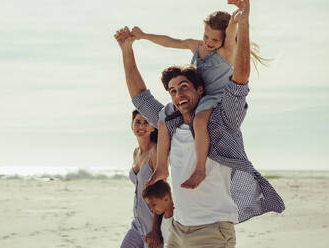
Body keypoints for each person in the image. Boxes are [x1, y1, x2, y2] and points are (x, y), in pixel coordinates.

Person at [114, 0, 285, 247]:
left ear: (199, 89)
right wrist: (127, 48)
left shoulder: (222, 120)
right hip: (176, 227)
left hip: (211, 229)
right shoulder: (171, 122)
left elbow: (241, 77)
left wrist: (242, 23)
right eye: (173, 91)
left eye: (184, 87)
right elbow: (140, 97)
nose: (178, 95)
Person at [131, 0, 267, 189]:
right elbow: (171, 41)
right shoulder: (197, 46)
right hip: (194, 98)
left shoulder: (227, 52)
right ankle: (162, 167)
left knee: (199, 121)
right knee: (163, 118)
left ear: (225, 38)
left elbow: (232, 34)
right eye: (206, 36)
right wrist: (143, 36)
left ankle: (200, 169)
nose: (209, 42)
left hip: (214, 100)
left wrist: (236, 21)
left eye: (215, 40)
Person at [120, 110, 160, 248]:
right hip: (137, 225)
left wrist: (155, 230)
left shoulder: (155, 151)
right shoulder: (136, 152)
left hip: (152, 226)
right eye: (138, 122)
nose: (141, 126)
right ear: (132, 125)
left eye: (146, 122)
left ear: (152, 127)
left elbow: (161, 194)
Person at [142, 180, 174, 246]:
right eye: (150, 205)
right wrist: (151, 239)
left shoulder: (178, 219)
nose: (151, 209)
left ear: (166, 199)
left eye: (153, 204)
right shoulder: (164, 218)